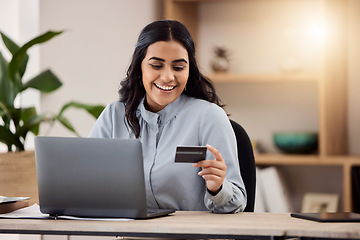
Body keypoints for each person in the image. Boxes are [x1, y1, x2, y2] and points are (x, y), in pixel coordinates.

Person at [89, 20, 247, 213]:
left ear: (189, 71)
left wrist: (219, 188)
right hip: (130, 233)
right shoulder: (113, 116)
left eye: (178, 67)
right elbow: (87, 185)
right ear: (140, 67)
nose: (167, 77)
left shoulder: (209, 117)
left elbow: (237, 203)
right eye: (156, 65)